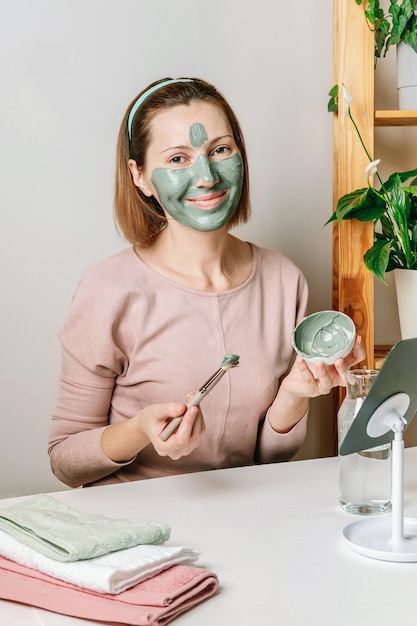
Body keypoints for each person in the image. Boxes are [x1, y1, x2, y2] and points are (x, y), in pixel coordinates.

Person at [48, 77, 365, 488]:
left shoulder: (285, 281)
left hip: (242, 526)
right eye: (178, 159)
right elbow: (65, 462)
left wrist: (294, 393)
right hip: (136, 534)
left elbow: (268, 460)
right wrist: (140, 430)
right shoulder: (107, 290)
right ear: (139, 175)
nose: (206, 175)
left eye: (219, 150)